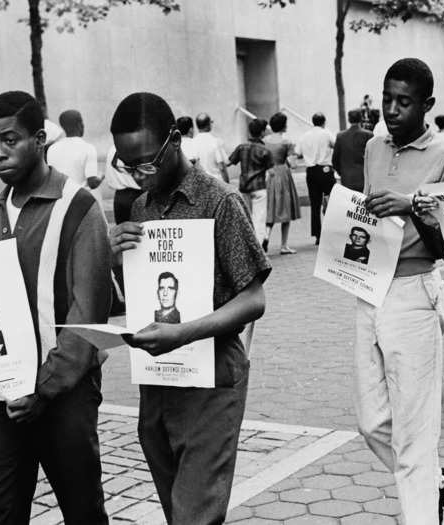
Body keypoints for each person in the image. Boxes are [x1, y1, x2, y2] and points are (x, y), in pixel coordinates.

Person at [108, 92, 270, 524]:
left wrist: (185, 332)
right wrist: (115, 255)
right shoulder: (142, 205)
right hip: (158, 380)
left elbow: (254, 299)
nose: (138, 176)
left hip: (211, 377)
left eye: (146, 163)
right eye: (125, 166)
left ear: (175, 140)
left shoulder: (219, 201)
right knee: (179, 510)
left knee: (193, 516)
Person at [0, 90, 111, 525]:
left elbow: (88, 316)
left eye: (10, 139)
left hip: (64, 390)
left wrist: (43, 388)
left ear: (39, 139)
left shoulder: (78, 206)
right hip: (2, 391)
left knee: (82, 510)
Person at [358, 58, 444, 525]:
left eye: (404, 102)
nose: (392, 110)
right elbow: (365, 218)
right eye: (387, 100)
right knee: (372, 422)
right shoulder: (373, 149)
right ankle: (433, 483)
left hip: (415, 292)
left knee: (416, 437)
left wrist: (415, 205)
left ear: (427, 105)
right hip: (368, 290)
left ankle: (423, 512)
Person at [229, 118, 273, 246]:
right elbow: (272, 172)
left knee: (246, 217)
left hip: (244, 187)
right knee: (259, 218)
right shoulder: (265, 150)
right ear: (262, 132)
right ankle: (259, 246)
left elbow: (228, 162)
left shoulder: (241, 147)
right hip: (259, 187)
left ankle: (247, 244)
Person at [262, 112, 300, 255]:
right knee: (286, 207)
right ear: (283, 125)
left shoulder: (265, 140)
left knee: (270, 207)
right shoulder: (287, 142)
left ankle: (266, 236)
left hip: (269, 174)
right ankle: (284, 245)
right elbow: (293, 164)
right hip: (283, 173)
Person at [296, 112, 336, 245]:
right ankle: (332, 231)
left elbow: (298, 153)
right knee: (331, 200)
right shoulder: (326, 133)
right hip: (325, 170)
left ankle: (318, 234)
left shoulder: (305, 136)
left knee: (315, 204)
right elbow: (335, 144)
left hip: (311, 171)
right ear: (324, 122)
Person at [47, 110, 102, 190]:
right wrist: (101, 176)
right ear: (80, 125)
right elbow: (92, 183)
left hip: (58, 198)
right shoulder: (88, 148)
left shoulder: (52, 149)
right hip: (77, 199)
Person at [333, 108, 374, 192]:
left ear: (349, 119)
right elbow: (373, 157)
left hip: (347, 178)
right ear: (361, 118)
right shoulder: (368, 134)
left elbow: (335, 159)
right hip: (364, 178)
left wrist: (342, 172)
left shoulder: (340, 136)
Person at [191, 112, 229, 182]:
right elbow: (221, 167)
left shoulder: (193, 142)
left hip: (201, 183)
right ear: (208, 124)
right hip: (216, 183)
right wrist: (228, 185)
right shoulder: (216, 141)